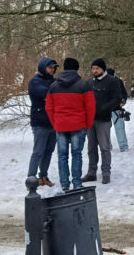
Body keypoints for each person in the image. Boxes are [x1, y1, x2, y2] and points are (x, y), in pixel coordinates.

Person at [45, 58, 96, 192]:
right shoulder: (84, 85)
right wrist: (88, 124)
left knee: (62, 156)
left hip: (60, 125)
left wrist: (55, 123)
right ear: (76, 69)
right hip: (78, 125)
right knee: (77, 154)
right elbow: (91, 107)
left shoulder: (54, 86)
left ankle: (65, 184)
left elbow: (49, 107)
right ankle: (77, 183)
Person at [84, 59, 122, 185]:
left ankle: (106, 172)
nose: (95, 71)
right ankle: (91, 172)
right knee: (91, 148)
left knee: (105, 147)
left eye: (97, 69)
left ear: (103, 69)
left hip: (104, 119)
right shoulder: (89, 83)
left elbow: (117, 99)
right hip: (90, 119)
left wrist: (105, 108)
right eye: (93, 68)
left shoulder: (112, 81)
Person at [27, 57, 58, 187]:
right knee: (38, 151)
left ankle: (43, 176)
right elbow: (47, 93)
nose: (52, 70)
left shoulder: (55, 81)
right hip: (40, 122)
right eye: (50, 67)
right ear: (43, 67)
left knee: (49, 151)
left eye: (54, 67)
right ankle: (31, 178)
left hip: (53, 122)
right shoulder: (35, 81)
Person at [106, 67, 129, 152]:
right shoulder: (102, 82)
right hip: (106, 110)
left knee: (119, 128)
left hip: (116, 109)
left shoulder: (118, 82)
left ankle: (123, 146)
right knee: (106, 130)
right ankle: (107, 147)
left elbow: (124, 94)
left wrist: (123, 101)